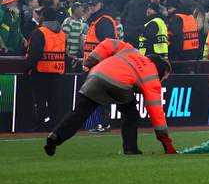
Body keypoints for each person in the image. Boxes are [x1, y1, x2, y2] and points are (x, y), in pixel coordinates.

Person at [44, 39, 176, 156]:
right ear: (162, 71)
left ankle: (56, 135)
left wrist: (90, 62)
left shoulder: (131, 50)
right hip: (120, 83)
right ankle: (130, 149)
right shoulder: (153, 78)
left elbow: (108, 43)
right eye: (164, 78)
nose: (162, 81)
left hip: (96, 74)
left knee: (80, 112)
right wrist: (166, 141)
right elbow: (156, 112)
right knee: (130, 113)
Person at [25, 0, 67, 130]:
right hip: (56, 70)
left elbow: (34, 53)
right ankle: (55, 123)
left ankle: (39, 124)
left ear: (43, 17)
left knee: (40, 99)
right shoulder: (62, 33)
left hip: (41, 69)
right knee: (54, 98)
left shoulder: (40, 32)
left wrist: (26, 69)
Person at [61, 1, 89, 65]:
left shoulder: (80, 22)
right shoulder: (68, 22)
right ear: (76, 11)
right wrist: (68, 54)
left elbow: (80, 38)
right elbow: (64, 39)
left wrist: (84, 53)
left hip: (76, 54)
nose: (83, 13)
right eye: (81, 11)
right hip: (68, 55)